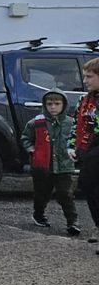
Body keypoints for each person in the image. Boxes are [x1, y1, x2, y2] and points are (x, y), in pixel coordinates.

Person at [21, 90, 79, 234]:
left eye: (57, 104)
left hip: (64, 165)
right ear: (44, 105)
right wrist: (32, 150)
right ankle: (39, 214)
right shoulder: (36, 123)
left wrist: (75, 151)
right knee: (42, 193)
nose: (53, 107)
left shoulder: (71, 123)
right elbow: (25, 138)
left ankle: (72, 222)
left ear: (64, 105)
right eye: (49, 104)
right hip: (42, 165)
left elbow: (77, 140)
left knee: (65, 193)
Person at [76, 59, 99, 249]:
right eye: (84, 76)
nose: (86, 80)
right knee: (89, 189)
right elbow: (78, 124)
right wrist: (71, 146)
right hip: (88, 151)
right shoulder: (86, 100)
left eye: (90, 76)